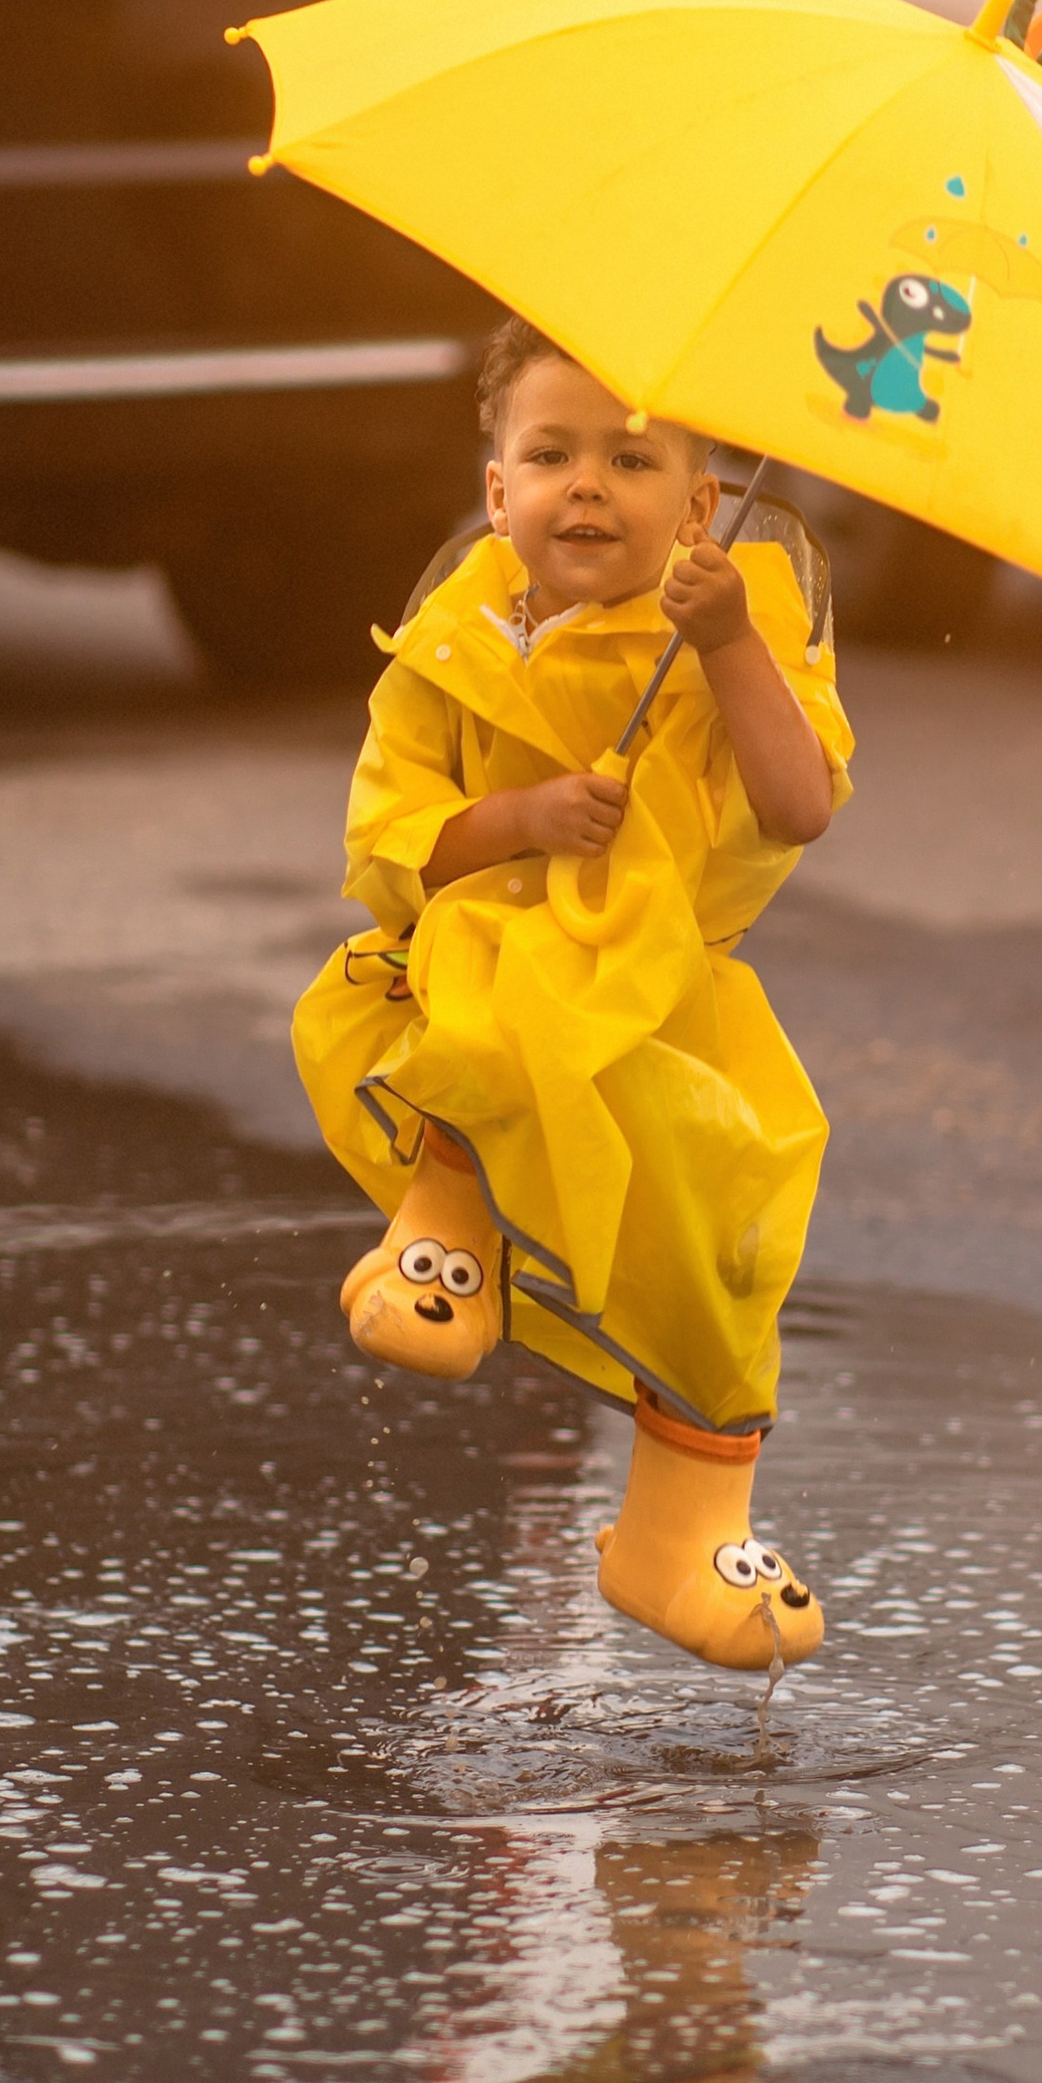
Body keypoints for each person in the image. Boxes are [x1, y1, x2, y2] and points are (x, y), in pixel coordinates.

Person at [292, 319, 852, 1675]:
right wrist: (525, 817)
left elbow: (799, 803)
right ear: (497, 490)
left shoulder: (742, 620)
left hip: (662, 994)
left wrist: (723, 645)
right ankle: (447, 1230)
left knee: (729, 1230)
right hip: (478, 960)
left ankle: (679, 1527)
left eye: (633, 457)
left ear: (701, 506)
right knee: (506, 978)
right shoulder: (459, 635)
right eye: (550, 454)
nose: (587, 484)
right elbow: (388, 846)